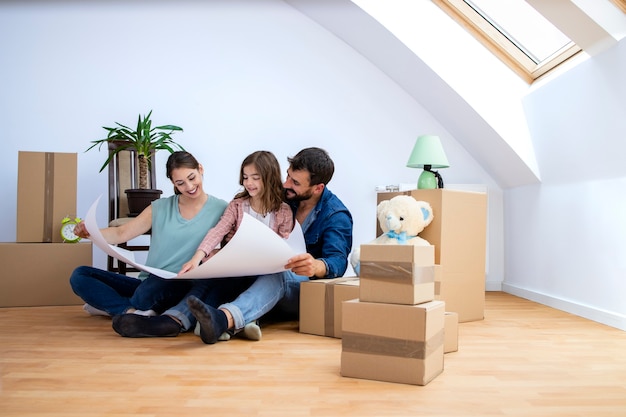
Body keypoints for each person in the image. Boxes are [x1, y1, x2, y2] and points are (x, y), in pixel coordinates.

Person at [111, 147, 353, 344]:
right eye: (288, 174)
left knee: (277, 275)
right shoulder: (283, 198)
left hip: (299, 287)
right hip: (254, 278)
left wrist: (315, 266)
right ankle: (173, 320)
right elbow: (230, 228)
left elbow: (337, 263)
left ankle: (224, 319)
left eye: (295, 181)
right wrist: (218, 251)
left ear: (317, 188)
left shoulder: (335, 215)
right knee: (215, 277)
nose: (286, 183)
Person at [69, 151, 228, 319]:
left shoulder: (221, 208)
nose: (189, 186)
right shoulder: (160, 207)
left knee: (146, 294)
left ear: (200, 169)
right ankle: (130, 312)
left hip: (183, 283)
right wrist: (89, 232)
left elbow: (230, 247)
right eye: (180, 183)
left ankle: (111, 305)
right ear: (173, 183)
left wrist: (214, 254)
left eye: (192, 178)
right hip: (149, 281)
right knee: (80, 275)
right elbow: (120, 233)